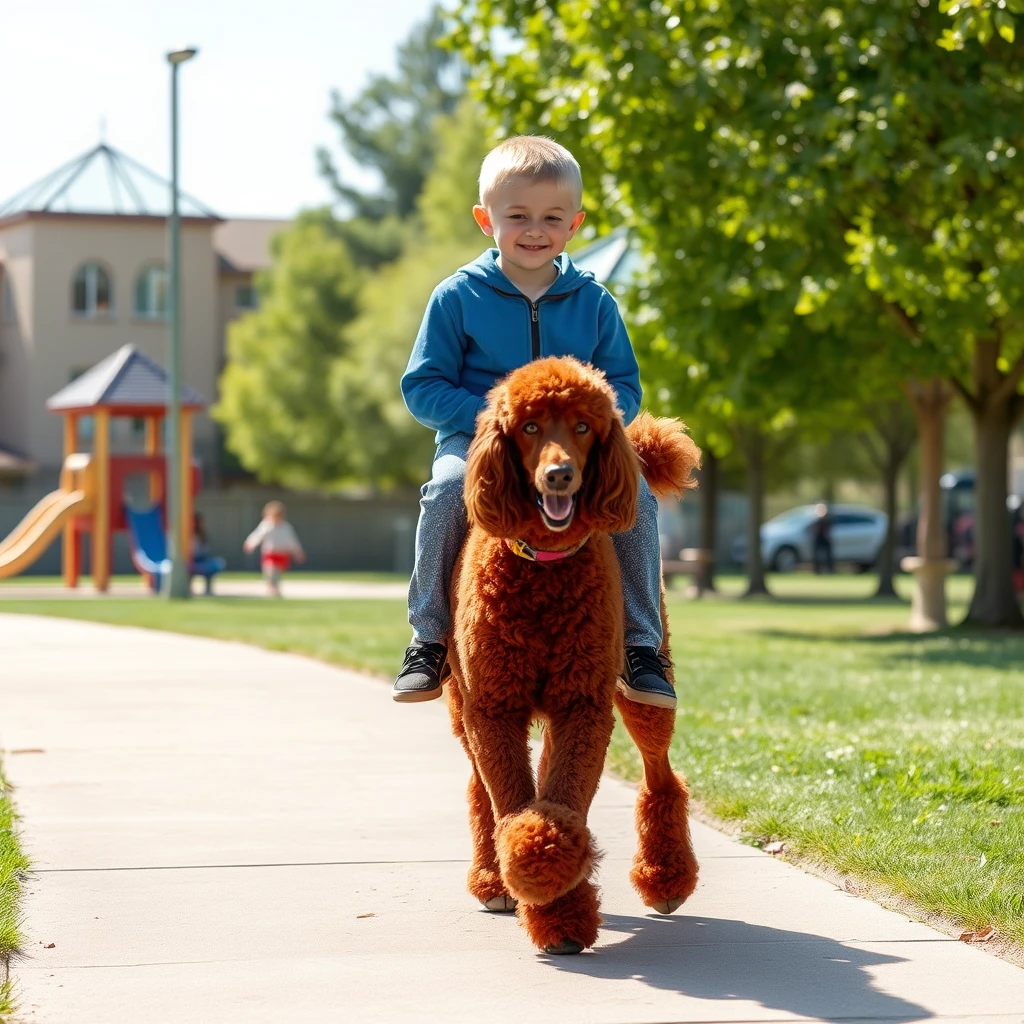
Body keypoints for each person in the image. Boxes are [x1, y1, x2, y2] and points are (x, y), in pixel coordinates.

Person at [392, 135, 676, 708]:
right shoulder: (457, 296)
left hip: (573, 450)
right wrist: (492, 419)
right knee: (446, 492)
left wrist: (591, 422)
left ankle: (642, 647)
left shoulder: (594, 300)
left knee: (639, 500)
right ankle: (427, 638)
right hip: (481, 443)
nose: (534, 229)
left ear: (575, 223)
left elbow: (625, 385)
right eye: (517, 215)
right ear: (484, 219)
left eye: (551, 216)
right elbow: (421, 387)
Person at [243, 500, 305, 597]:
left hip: (282, 553)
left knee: (277, 574)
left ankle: (275, 588)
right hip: (270, 554)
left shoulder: (286, 527)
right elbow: (257, 535)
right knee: (270, 572)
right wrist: (251, 543)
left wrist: (298, 552)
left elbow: (292, 541)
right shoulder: (266, 525)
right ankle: (272, 589)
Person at [811, 503, 834, 575]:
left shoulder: (826, 520)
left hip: (825, 539)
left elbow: (827, 530)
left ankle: (829, 570)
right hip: (818, 539)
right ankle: (817, 570)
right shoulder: (816, 520)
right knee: (817, 555)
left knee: (827, 555)